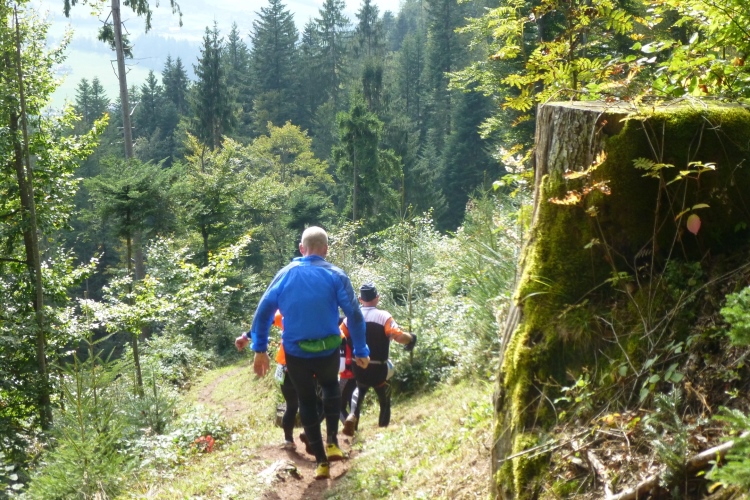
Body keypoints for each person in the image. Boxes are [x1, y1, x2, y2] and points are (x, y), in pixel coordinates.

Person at [235, 226, 370, 480]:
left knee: (306, 401)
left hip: (296, 354)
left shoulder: (285, 274)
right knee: (331, 388)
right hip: (328, 349)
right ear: (326, 250)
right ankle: (332, 442)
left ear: (301, 249)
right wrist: (361, 349)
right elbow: (353, 314)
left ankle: (321, 463)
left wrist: (260, 349)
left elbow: (263, 312)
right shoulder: (336, 275)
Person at [340, 282, 416, 436]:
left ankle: (352, 416)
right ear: (377, 298)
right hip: (379, 367)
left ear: (360, 299)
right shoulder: (384, 316)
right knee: (384, 393)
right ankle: (383, 429)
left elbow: (339, 336)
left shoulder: (351, 318)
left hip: (358, 365)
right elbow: (398, 337)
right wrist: (412, 338)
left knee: (360, 388)